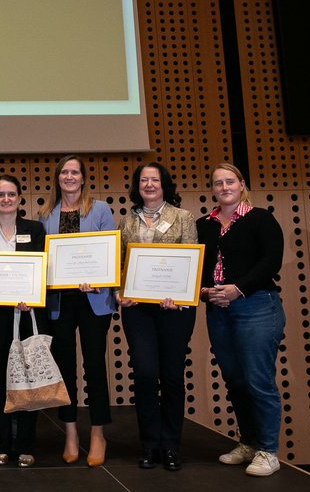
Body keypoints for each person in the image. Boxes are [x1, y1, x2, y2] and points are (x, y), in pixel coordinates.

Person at [197, 163, 285, 477]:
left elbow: (271, 261)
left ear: (241, 184)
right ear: (213, 190)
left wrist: (238, 289)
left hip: (256, 306)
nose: (224, 187)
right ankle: (248, 442)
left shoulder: (261, 219)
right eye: (218, 183)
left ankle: (268, 450)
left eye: (229, 181)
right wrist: (205, 291)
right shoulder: (203, 224)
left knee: (259, 381)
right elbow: (196, 267)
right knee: (235, 380)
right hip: (217, 309)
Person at [116, 162, 197, 471]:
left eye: (155, 180)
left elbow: (190, 259)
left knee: (173, 375)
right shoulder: (126, 221)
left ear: (165, 184)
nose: (149, 184)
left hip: (174, 309)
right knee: (146, 375)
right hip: (138, 310)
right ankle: (150, 444)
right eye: (143, 180)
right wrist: (119, 292)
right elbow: (121, 264)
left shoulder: (183, 217)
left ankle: (171, 445)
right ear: (137, 186)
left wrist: (180, 295)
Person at [37, 155, 116, 467]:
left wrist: (97, 279)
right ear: (58, 179)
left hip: (94, 300)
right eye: (64, 172)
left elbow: (110, 251)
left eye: (74, 172)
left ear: (83, 178)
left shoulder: (100, 210)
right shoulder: (45, 214)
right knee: (64, 367)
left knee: (95, 366)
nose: (69, 177)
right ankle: (70, 431)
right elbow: (42, 259)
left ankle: (98, 432)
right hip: (59, 301)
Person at [0, 174, 49, 468]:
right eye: (0, 194)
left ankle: (26, 444)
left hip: (26, 316)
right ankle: (2, 444)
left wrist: (33, 293)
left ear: (19, 198)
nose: (5, 199)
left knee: (27, 382)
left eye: (10, 194)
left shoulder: (34, 230)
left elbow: (41, 269)